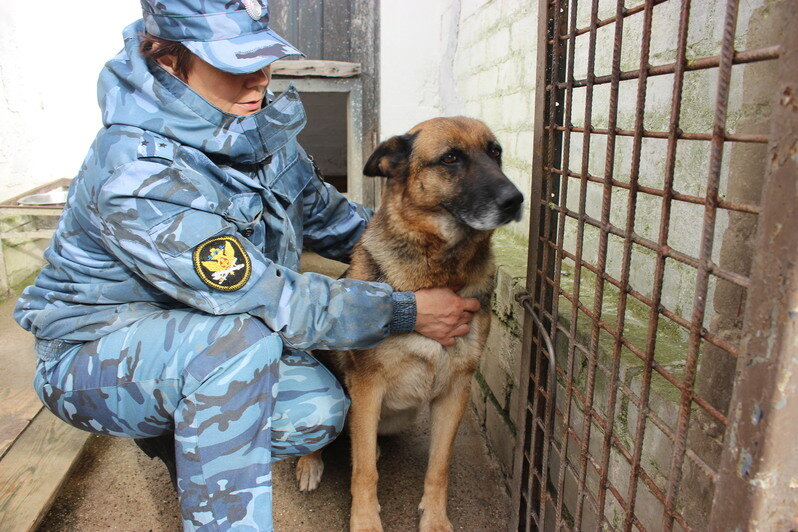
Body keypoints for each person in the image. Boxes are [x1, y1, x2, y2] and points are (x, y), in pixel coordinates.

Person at [13, 1, 480, 530]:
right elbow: (265, 295)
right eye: (235, 62)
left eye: (263, 58)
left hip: (211, 330)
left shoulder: (258, 132)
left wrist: (434, 245)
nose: (259, 76)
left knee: (317, 414)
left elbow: (338, 220)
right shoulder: (138, 172)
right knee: (234, 348)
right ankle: (191, 456)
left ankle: (187, 418)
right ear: (170, 60)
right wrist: (405, 310)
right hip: (94, 352)